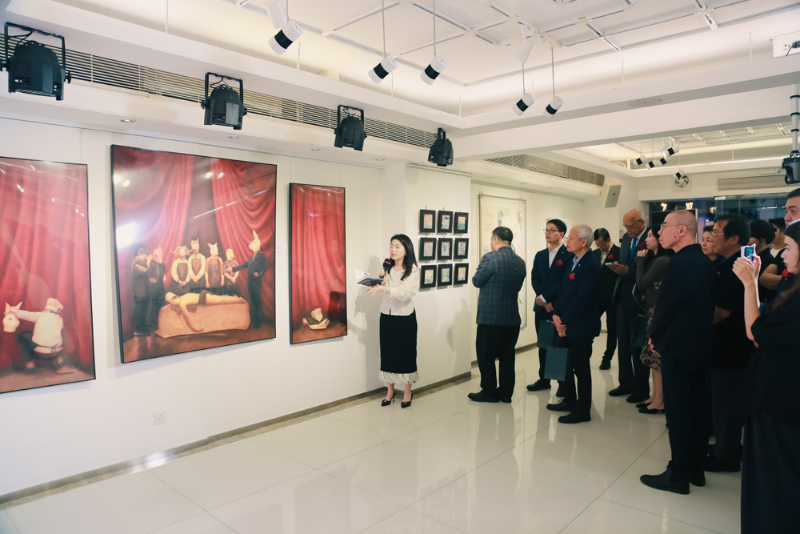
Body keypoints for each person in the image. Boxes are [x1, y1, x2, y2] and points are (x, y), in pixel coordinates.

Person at [641, 210, 718, 494]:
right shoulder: (705, 262)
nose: (660, 232)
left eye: (664, 226)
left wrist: (655, 337)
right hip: (700, 346)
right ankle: (696, 469)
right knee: (697, 410)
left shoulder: (679, 264)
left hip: (678, 346)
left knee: (678, 413)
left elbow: (667, 308)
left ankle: (677, 474)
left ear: (682, 231)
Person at [733, 221, 800, 534]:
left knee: (775, 486)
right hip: (779, 400)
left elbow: (756, 332)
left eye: (789, 248)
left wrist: (750, 284)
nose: (783, 255)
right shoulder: (792, 290)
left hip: (780, 403)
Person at [706, 215, 755, 473]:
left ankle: (726, 456)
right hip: (727, 346)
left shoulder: (737, 268)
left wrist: (693, 319)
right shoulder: (728, 264)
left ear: (734, 238)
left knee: (727, 403)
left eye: (716, 232)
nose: (712, 237)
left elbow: (721, 312)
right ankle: (726, 446)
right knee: (725, 402)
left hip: (730, 348)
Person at [546, 224, 601, 424]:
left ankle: (583, 410)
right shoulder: (573, 260)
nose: (567, 241)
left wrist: (564, 321)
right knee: (563, 364)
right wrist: (556, 315)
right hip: (566, 321)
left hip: (581, 325)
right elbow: (564, 291)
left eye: (570, 238)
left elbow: (583, 298)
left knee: (580, 368)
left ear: (583, 242)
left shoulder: (591, 265)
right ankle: (569, 400)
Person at [469, 226, 527, 403]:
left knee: (486, 356)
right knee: (507, 356)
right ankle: (506, 393)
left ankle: (489, 391)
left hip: (490, 319)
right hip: (512, 319)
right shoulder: (520, 262)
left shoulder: (490, 258)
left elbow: (477, 281)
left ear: (495, 240)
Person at [367, 234, 419, 408]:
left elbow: (405, 293)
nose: (393, 249)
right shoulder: (387, 266)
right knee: (388, 353)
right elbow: (382, 286)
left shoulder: (412, 270)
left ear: (406, 249)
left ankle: (407, 391)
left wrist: (385, 289)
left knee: (406, 354)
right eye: (391, 246)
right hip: (386, 316)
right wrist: (378, 279)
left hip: (404, 317)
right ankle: (390, 390)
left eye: (397, 246)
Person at [607, 209, 650, 404]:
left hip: (639, 299)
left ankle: (641, 388)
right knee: (622, 343)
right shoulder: (626, 238)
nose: (628, 230)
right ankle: (625, 382)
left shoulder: (650, 238)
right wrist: (617, 267)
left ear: (641, 222)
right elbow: (625, 263)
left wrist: (628, 271)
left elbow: (652, 270)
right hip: (622, 297)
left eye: (631, 226)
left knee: (637, 345)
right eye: (625, 226)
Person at [527, 219, 573, 392]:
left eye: (552, 230)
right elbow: (535, 278)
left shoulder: (568, 255)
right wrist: (543, 299)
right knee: (544, 343)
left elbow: (564, 282)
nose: (547, 233)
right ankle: (544, 379)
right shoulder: (540, 255)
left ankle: (561, 383)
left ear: (561, 234)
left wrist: (547, 297)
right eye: (546, 229)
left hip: (559, 307)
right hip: (542, 306)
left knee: (558, 345)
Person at [635, 227, 673, 414]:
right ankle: (655, 396)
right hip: (651, 309)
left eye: (651, 236)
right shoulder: (657, 259)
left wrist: (640, 261)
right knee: (651, 357)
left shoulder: (662, 260)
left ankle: (660, 400)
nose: (647, 239)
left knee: (656, 357)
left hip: (656, 310)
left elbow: (641, 283)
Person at [761, 188, 800, 297]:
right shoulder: (783, 253)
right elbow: (764, 279)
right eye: (786, 211)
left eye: (793, 211)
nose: (786, 218)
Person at [593, 228, 621, 370]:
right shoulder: (594, 254)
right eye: (597, 244)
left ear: (609, 240)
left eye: (602, 244)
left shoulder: (619, 252)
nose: (599, 247)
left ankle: (607, 358)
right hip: (597, 298)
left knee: (612, 329)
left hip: (612, 298)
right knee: (590, 324)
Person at [229, 231, 268, 329]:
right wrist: (232, 269)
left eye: (253, 242)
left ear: (256, 245)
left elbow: (265, 268)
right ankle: (254, 319)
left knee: (257, 302)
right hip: (250, 284)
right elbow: (243, 265)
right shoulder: (251, 258)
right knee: (252, 302)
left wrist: (259, 274)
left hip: (256, 284)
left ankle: (259, 321)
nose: (250, 243)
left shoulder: (261, 255)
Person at [750, 219, 775, 303]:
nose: (746, 240)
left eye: (750, 236)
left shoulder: (769, 261)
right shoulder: (752, 257)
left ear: (763, 238)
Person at [146, 246, 167, 333]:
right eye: (155, 254)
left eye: (158, 254)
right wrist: (149, 280)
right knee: (154, 309)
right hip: (154, 289)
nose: (156, 256)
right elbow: (146, 271)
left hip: (161, 289)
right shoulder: (151, 263)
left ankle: (162, 326)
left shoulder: (161, 264)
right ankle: (154, 326)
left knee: (162, 307)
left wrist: (160, 259)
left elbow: (165, 270)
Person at [131, 247, 151, 336]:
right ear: (139, 253)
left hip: (144, 291)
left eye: (145, 256)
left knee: (144, 309)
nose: (144, 258)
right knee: (140, 309)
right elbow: (146, 270)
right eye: (143, 256)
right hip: (139, 291)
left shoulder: (141, 262)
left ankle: (142, 328)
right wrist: (148, 262)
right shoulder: (136, 262)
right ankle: (138, 329)